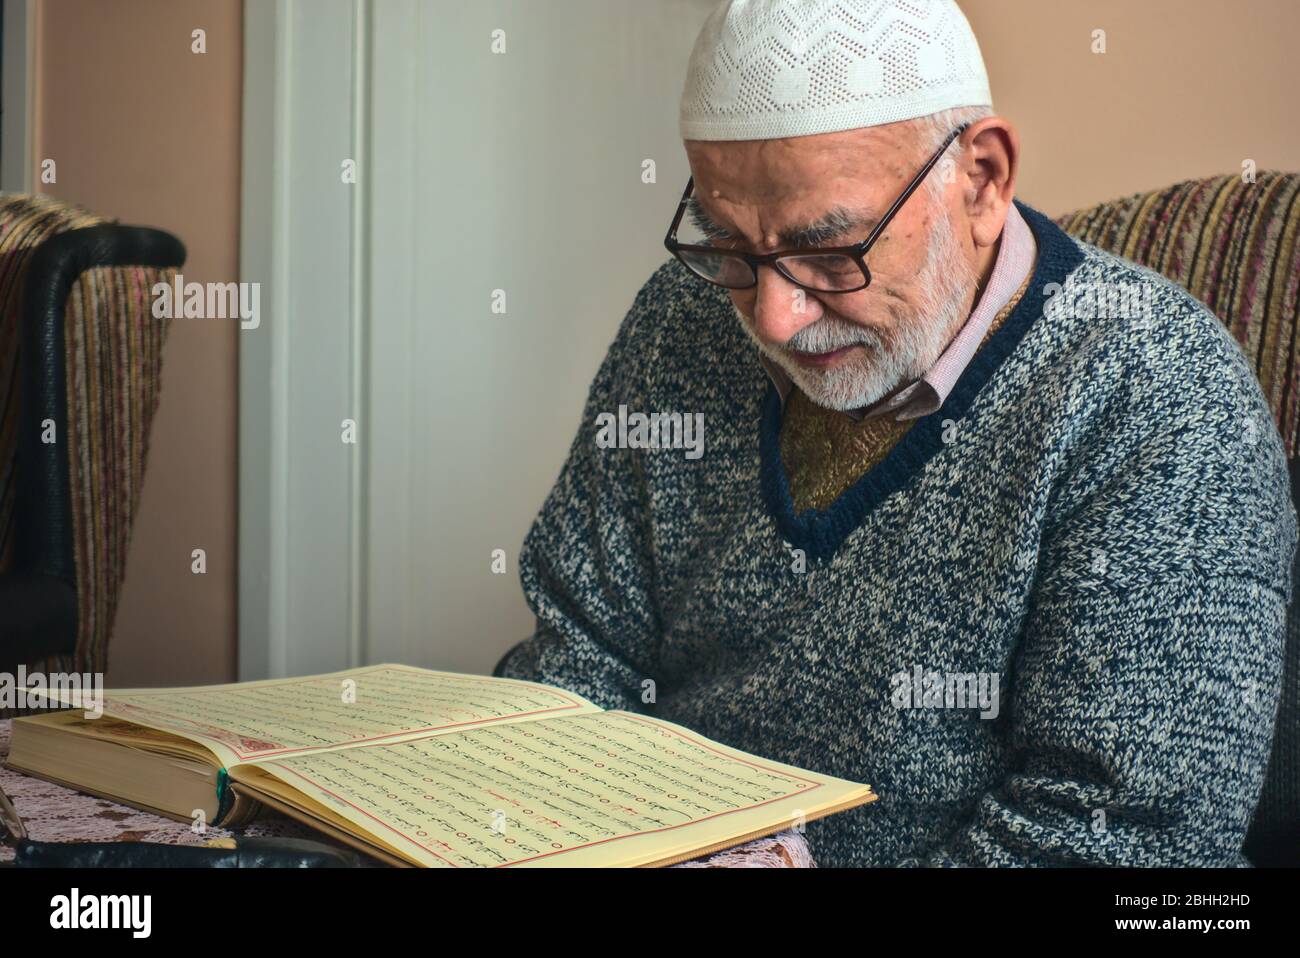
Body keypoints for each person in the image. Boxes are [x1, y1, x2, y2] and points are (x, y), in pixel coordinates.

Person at [498, 0, 1296, 866]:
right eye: (731, 245)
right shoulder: (682, 321)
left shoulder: (1155, 394)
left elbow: (1119, 848)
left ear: (983, 179)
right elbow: (576, 659)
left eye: (833, 249)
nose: (774, 315)